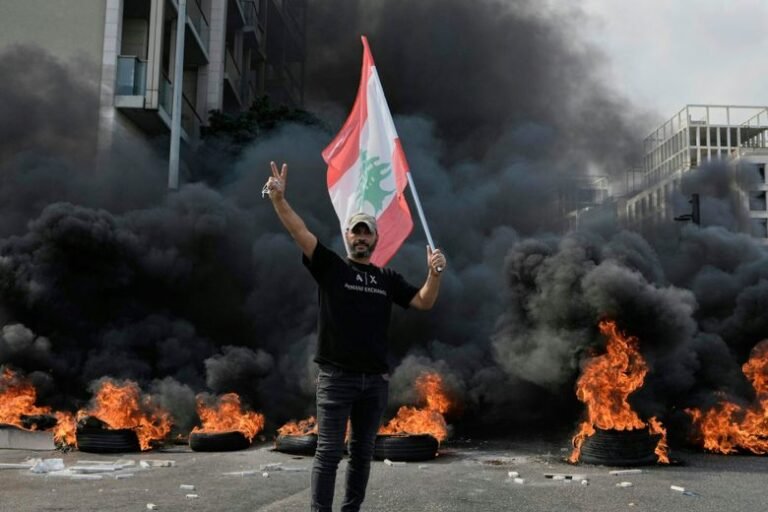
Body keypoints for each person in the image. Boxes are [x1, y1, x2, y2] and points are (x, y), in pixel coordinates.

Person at [264, 161, 446, 512]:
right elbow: (298, 231)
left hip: (375, 383)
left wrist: (434, 273)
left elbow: (423, 301)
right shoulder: (331, 266)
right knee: (329, 453)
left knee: (362, 456)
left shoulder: (387, 278)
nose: (361, 237)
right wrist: (278, 200)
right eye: (356, 231)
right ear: (347, 235)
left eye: (367, 232)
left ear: (376, 238)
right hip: (336, 379)